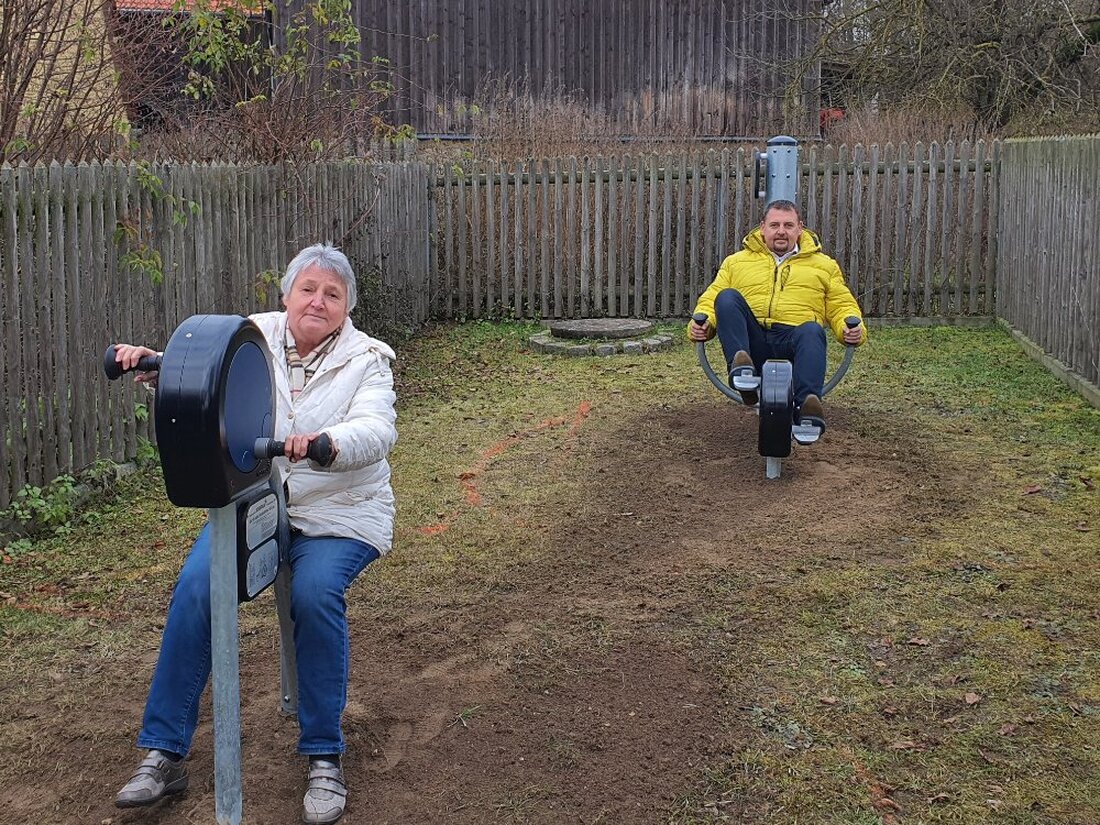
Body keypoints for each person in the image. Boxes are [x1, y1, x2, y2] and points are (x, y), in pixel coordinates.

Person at [111, 243, 397, 825]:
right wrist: (155, 362)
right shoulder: (252, 338)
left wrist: (327, 444)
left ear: (345, 309)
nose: (318, 301)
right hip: (260, 502)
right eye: (308, 289)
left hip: (340, 512)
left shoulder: (369, 360)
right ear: (287, 295)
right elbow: (208, 374)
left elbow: (376, 427)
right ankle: (164, 752)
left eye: (332, 295)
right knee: (199, 589)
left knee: (315, 595)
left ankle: (323, 756)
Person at [688, 199, 866, 424]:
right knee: (726, 297)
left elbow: (842, 304)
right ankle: (742, 371)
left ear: (800, 228)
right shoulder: (736, 262)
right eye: (774, 225)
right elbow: (711, 298)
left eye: (788, 225)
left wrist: (849, 328)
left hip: (794, 341)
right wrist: (702, 324)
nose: (781, 231)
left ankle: (806, 410)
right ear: (762, 228)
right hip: (754, 341)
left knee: (812, 330)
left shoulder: (824, 265)